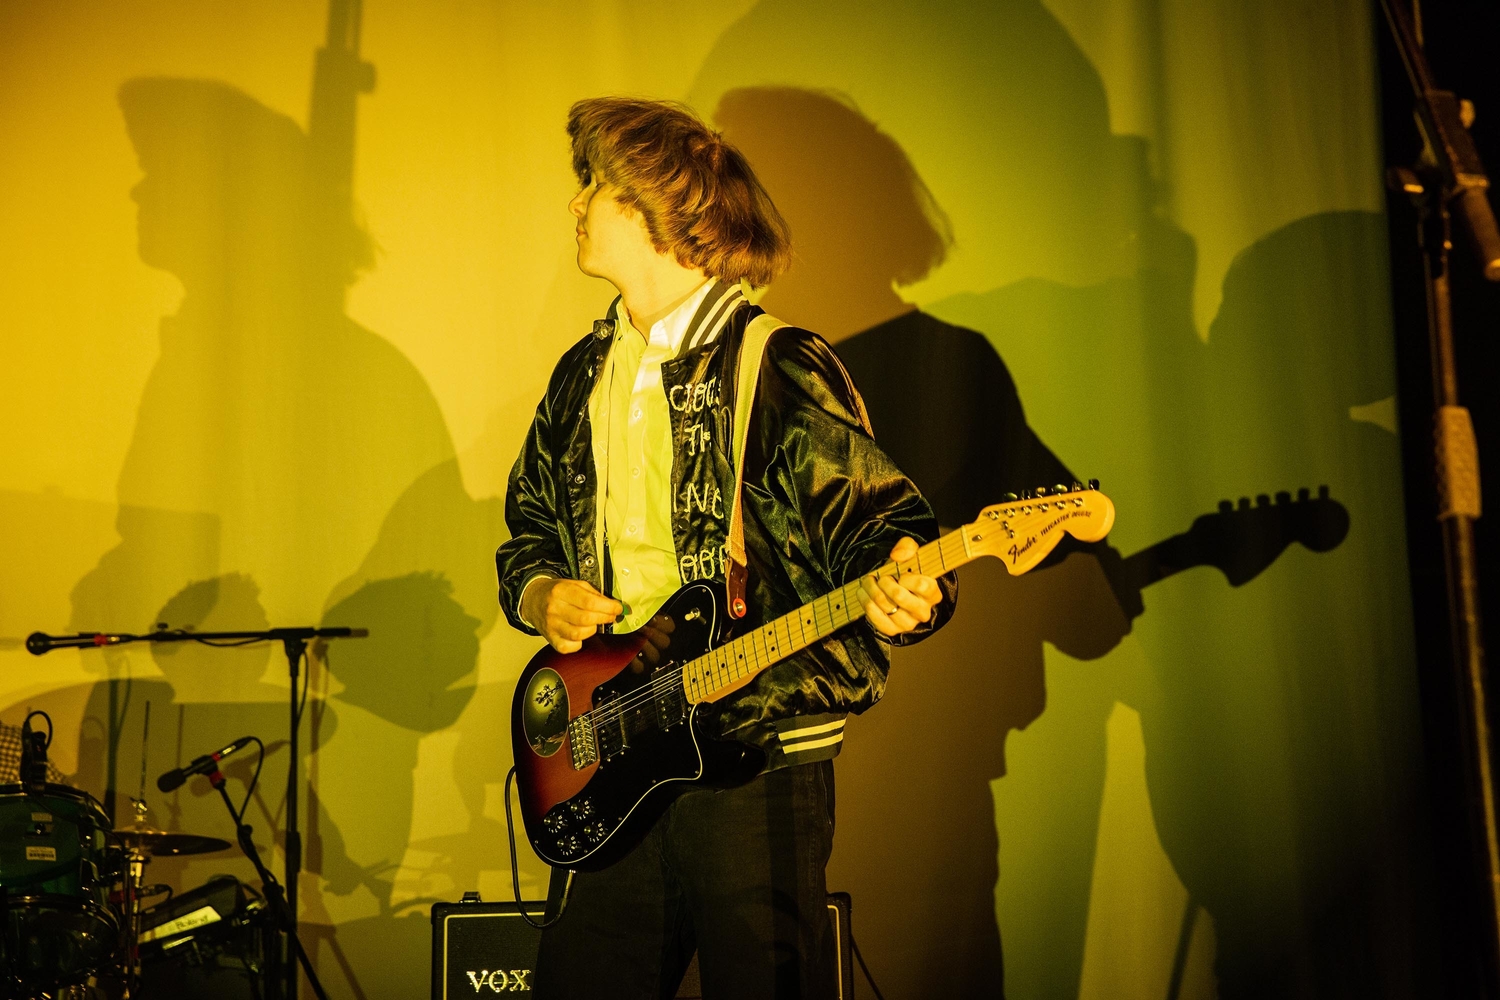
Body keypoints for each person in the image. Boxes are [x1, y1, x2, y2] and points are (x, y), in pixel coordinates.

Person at [495, 97, 957, 999]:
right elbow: (529, 526)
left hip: (755, 751)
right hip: (616, 745)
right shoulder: (583, 372)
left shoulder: (774, 361)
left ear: (657, 206)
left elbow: (877, 526)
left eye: (594, 185)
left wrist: (907, 588)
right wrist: (541, 590)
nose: (576, 204)